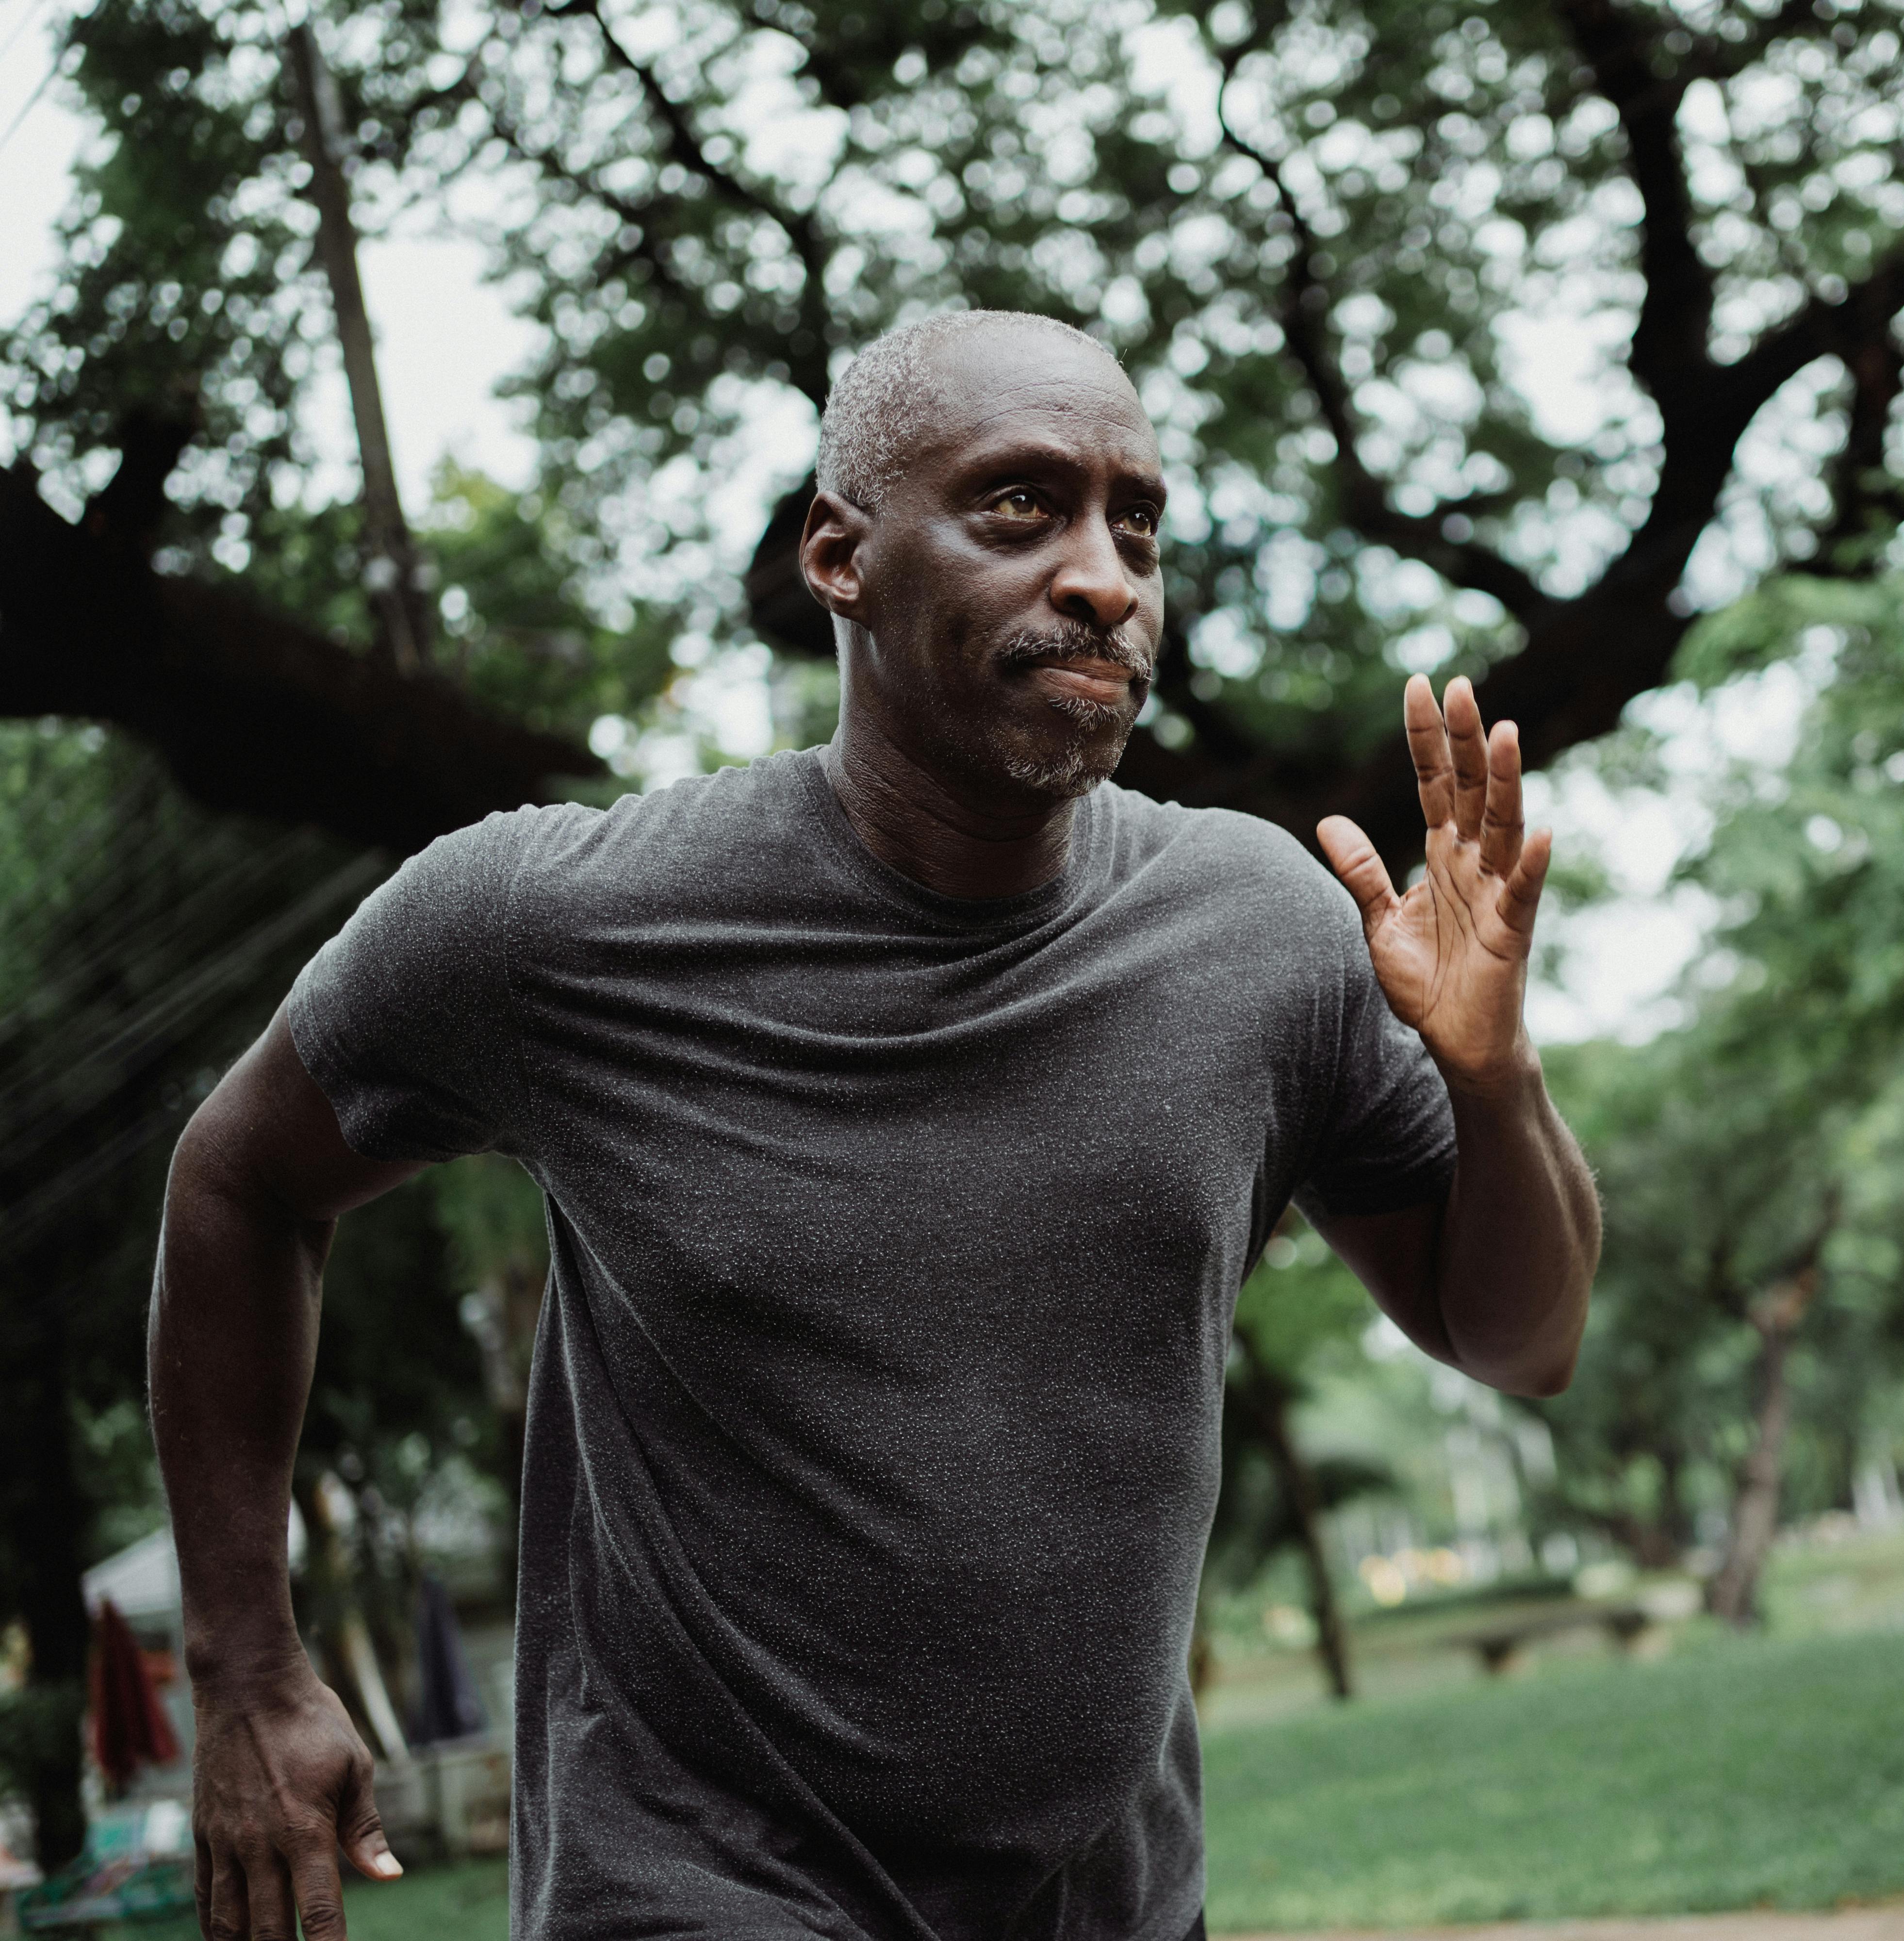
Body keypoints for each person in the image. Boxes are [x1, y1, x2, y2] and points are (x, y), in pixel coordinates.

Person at [149, 309, 1601, 1941]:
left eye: (1138, 523)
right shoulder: (553, 928)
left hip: (1115, 1902)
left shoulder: (1262, 928)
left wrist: (1496, 1078)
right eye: (1018, 506)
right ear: (838, 557)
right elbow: (241, 1179)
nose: (1106, 576)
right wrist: (249, 1668)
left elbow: (1519, 1339)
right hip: (697, 1891)